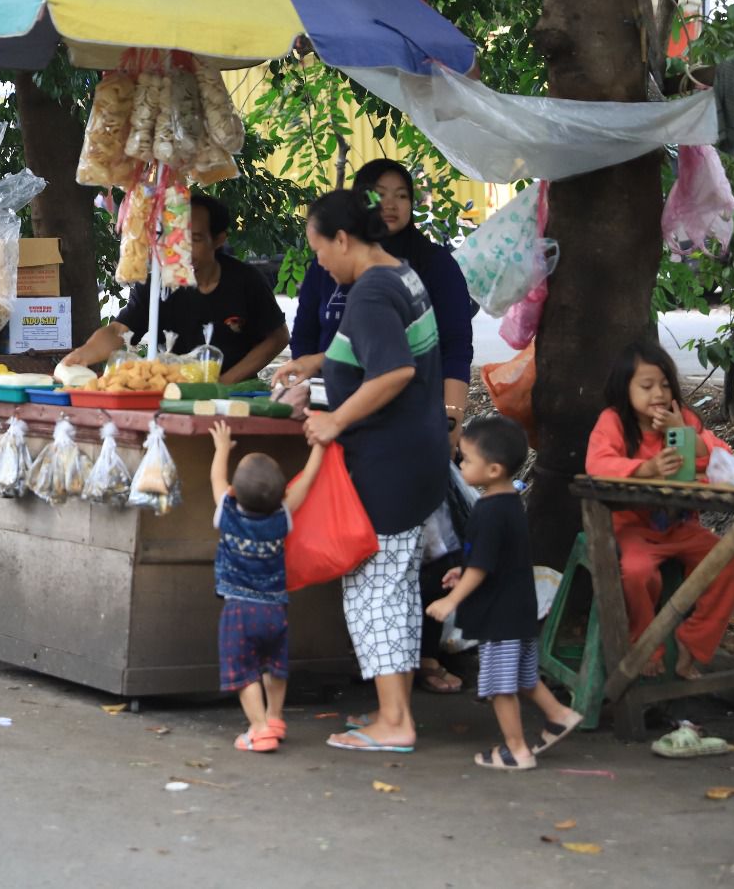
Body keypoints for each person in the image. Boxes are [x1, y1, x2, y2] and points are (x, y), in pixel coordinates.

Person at [276, 158, 476, 696]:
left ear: (342, 239)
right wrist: (321, 362)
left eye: (319, 250)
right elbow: (385, 352)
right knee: (398, 587)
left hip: (390, 464)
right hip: (415, 459)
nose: (319, 262)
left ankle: (392, 719)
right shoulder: (399, 275)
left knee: (376, 593)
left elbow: (394, 371)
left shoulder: (369, 291)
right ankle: (397, 709)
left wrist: (335, 418)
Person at [585, 339, 734, 680]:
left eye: (663, 384)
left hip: (680, 527)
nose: (657, 394)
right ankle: (646, 646)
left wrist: (683, 433)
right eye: (646, 386)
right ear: (624, 389)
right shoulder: (614, 422)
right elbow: (597, 464)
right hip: (632, 529)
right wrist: (643, 470)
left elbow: (722, 459)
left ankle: (694, 643)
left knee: (733, 562)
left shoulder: (682, 418)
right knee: (639, 572)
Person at [425, 417, 583, 770]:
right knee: (525, 677)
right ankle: (559, 716)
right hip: (519, 611)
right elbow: (491, 558)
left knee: (500, 686)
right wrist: (462, 571)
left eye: (465, 459)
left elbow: (481, 566)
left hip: (499, 619)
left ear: (493, 469)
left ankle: (517, 750)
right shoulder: (510, 503)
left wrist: (453, 599)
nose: (460, 464)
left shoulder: (489, 510)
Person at [60, 193, 289, 383]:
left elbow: (277, 337)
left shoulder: (246, 280)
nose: (183, 248)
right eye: (175, 237)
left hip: (236, 395)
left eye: (195, 239)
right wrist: (83, 354)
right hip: (172, 391)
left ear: (219, 239)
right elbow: (119, 330)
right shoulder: (154, 284)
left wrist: (225, 383)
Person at [208, 420, 324, 753]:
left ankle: (259, 730)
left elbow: (217, 480)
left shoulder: (227, 513)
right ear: (283, 494)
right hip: (276, 609)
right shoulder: (282, 517)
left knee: (244, 671)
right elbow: (309, 481)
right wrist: (319, 446)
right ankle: (274, 717)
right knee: (275, 666)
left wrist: (221, 450)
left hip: (238, 610)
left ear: (233, 492)